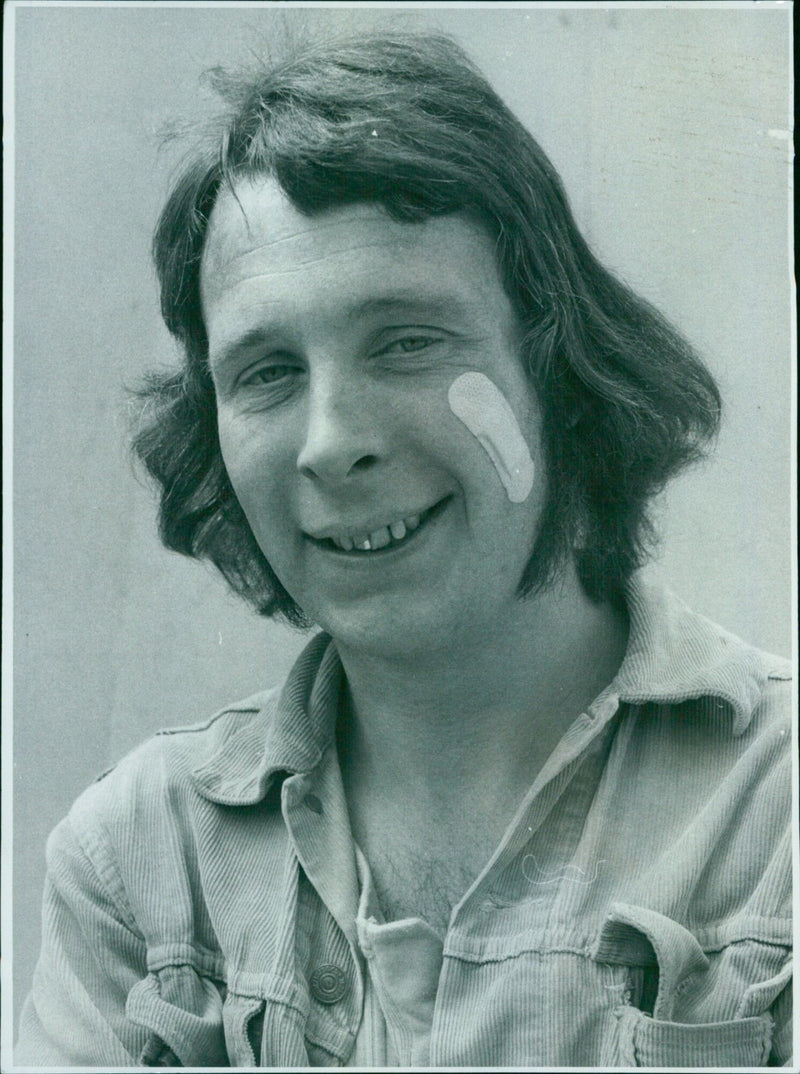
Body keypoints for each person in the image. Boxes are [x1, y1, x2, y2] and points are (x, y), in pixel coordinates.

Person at [17, 32, 792, 1068]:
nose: (334, 443)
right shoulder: (138, 862)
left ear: (556, 371)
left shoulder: (778, 811)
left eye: (406, 340)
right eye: (266, 373)